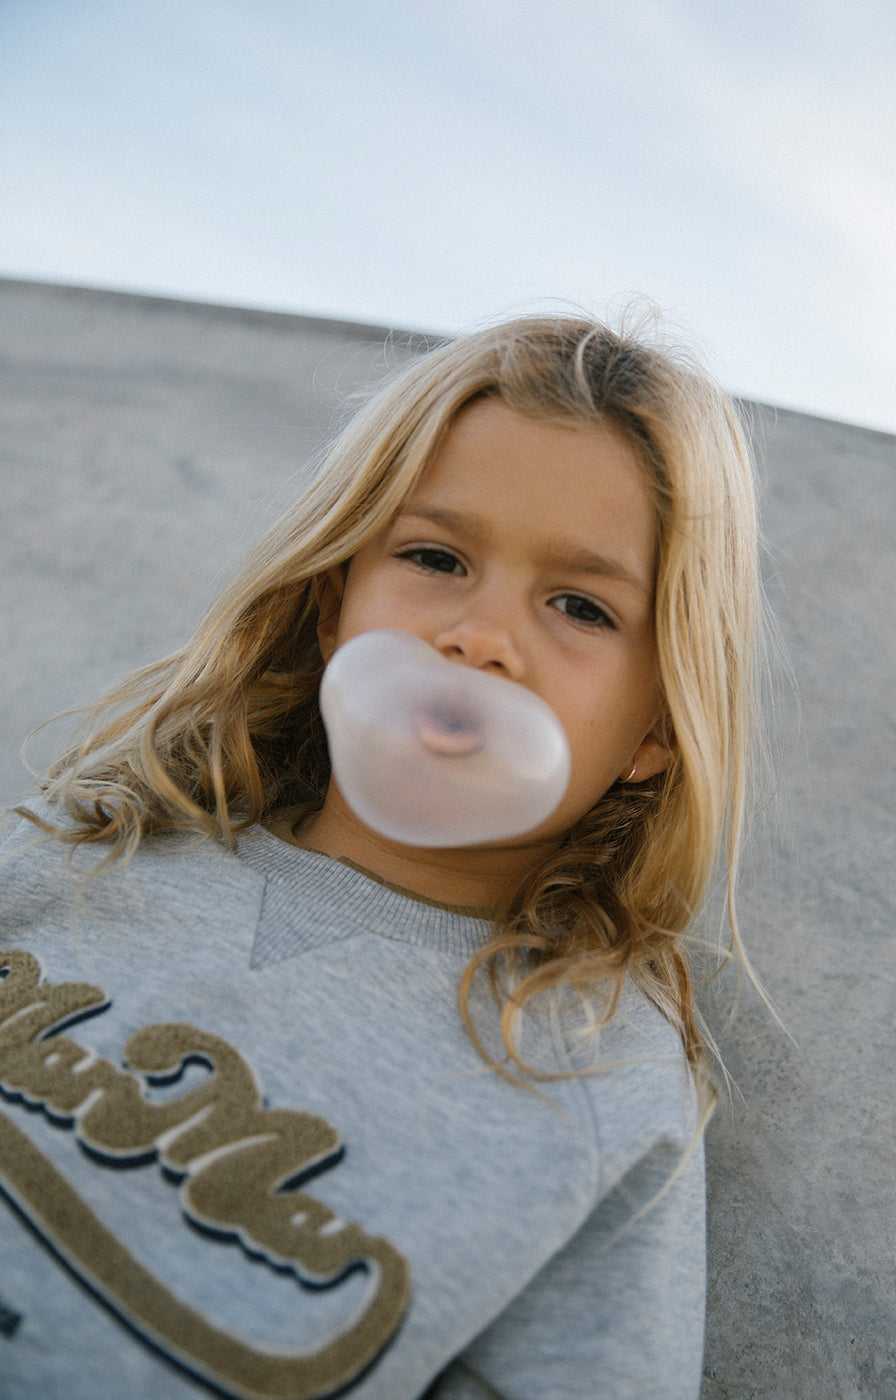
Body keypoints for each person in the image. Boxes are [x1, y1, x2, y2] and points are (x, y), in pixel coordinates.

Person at [0, 313, 765, 1400]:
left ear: (657, 729)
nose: (479, 636)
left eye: (580, 605)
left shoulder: (597, 1078)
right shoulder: (93, 840)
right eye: (434, 556)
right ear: (333, 608)